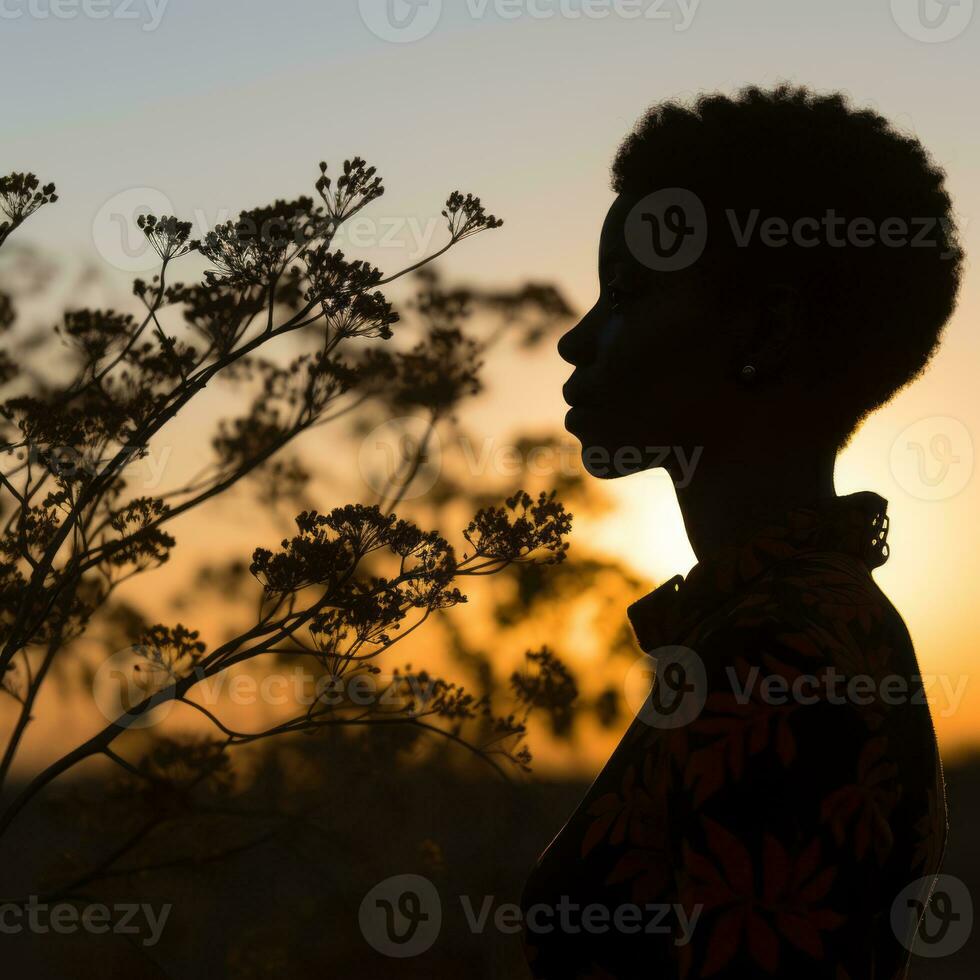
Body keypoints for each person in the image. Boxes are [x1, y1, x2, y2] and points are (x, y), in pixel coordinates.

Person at [522, 85, 961, 979]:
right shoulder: (805, 622)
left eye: (627, 295)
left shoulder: (777, 658)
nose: (577, 340)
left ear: (764, 327)